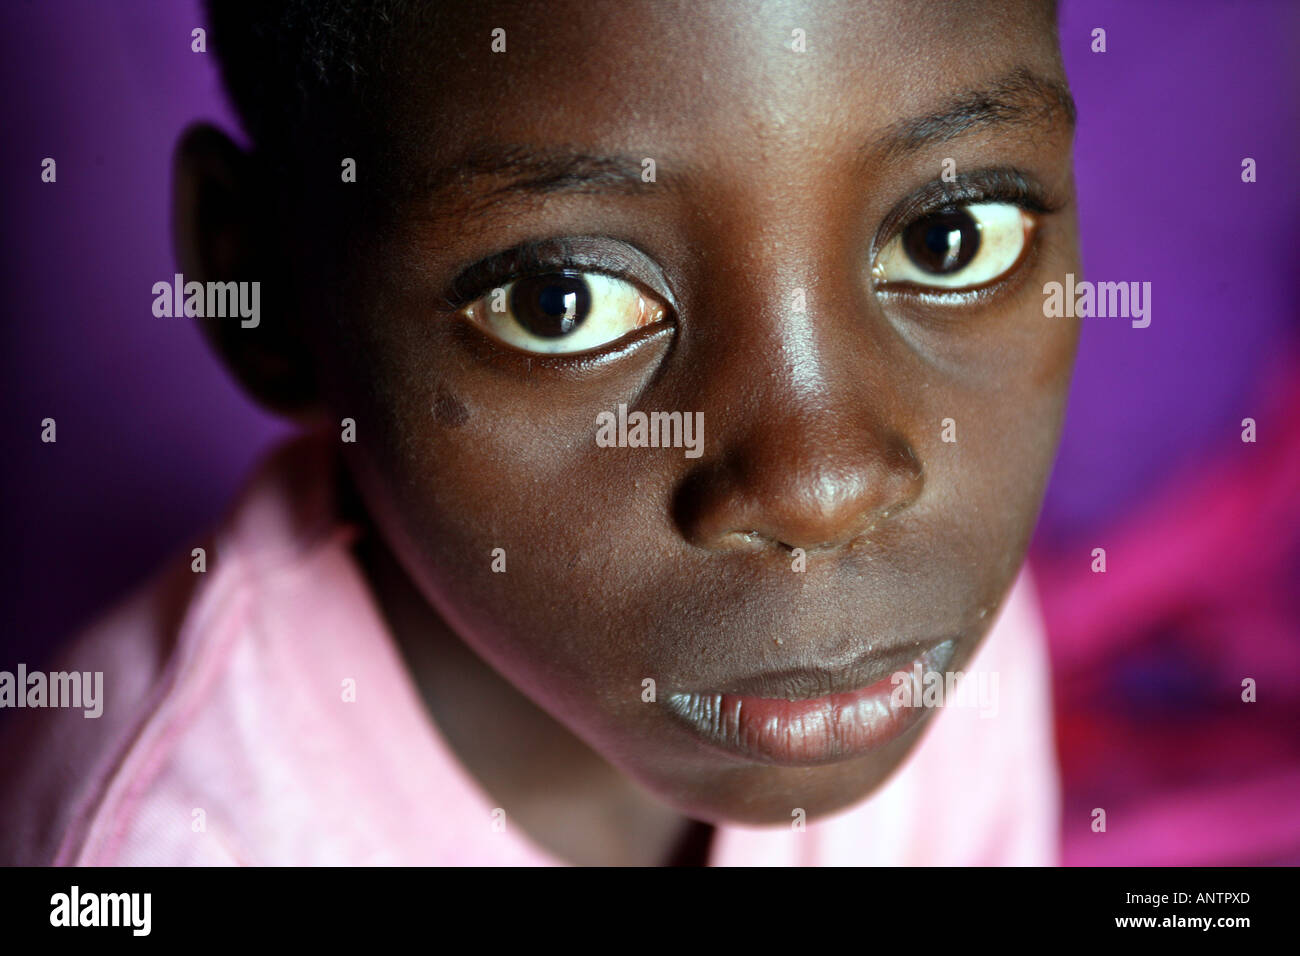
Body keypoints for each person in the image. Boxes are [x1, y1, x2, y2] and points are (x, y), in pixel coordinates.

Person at [0, 0, 1078, 866]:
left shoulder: (905, 637)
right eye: (560, 298)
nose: (829, 484)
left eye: (951, 238)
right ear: (268, 291)